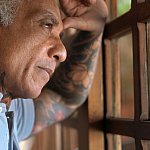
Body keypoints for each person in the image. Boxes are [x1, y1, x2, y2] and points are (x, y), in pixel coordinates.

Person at [0, 0, 108, 149]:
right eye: (46, 25)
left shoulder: (9, 106)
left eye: (60, 37)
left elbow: (62, 97)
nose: (63, 53)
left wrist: (94, 29)